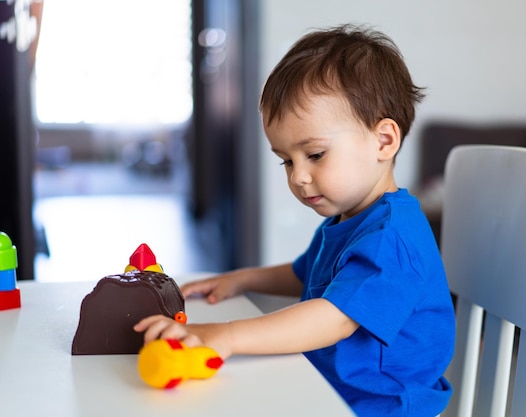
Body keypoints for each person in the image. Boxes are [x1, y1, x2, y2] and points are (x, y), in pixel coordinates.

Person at [134, 24, 455, 417]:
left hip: (378, 406)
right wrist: (242, 279)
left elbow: (334, 319)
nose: (298, 177)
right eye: (287, 160)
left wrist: (228, 336)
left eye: (315, 154)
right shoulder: (351, 218)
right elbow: (308, 274)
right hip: (330, 385)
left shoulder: (392, 238)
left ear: (383, 141)